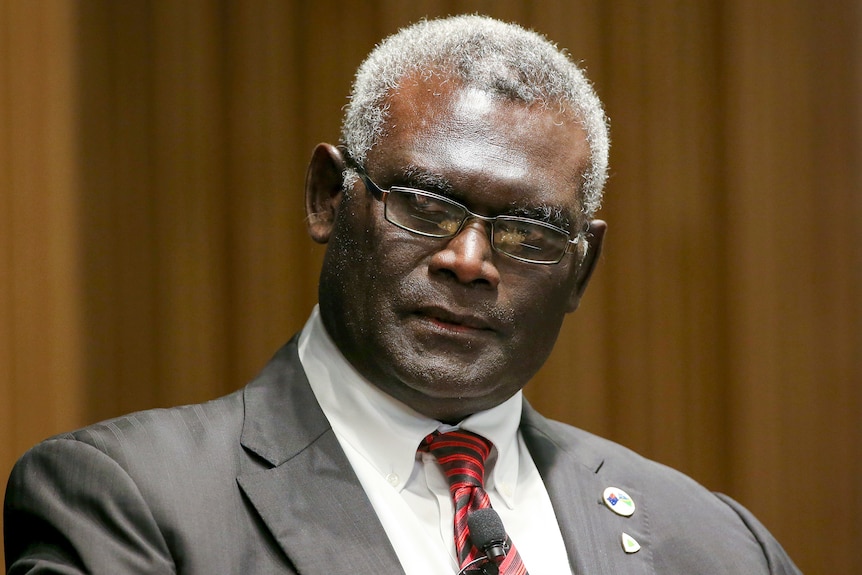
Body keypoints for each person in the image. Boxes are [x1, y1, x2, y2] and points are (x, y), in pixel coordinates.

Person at [4, 15, 800, 575]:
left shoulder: (717, 545)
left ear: (581, 270)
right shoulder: (133, 504)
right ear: (327, 197)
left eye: (527, 232)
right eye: (424, 205)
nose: (469, 260)